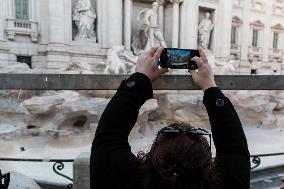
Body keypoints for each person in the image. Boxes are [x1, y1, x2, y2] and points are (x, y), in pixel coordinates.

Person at [90, 47, 251, 189]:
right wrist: (210, 85)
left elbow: (109, 136)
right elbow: (234, 146)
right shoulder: (227, 184)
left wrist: (140, 78)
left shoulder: (126, 181)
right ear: (207, 163)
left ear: (152, 157)